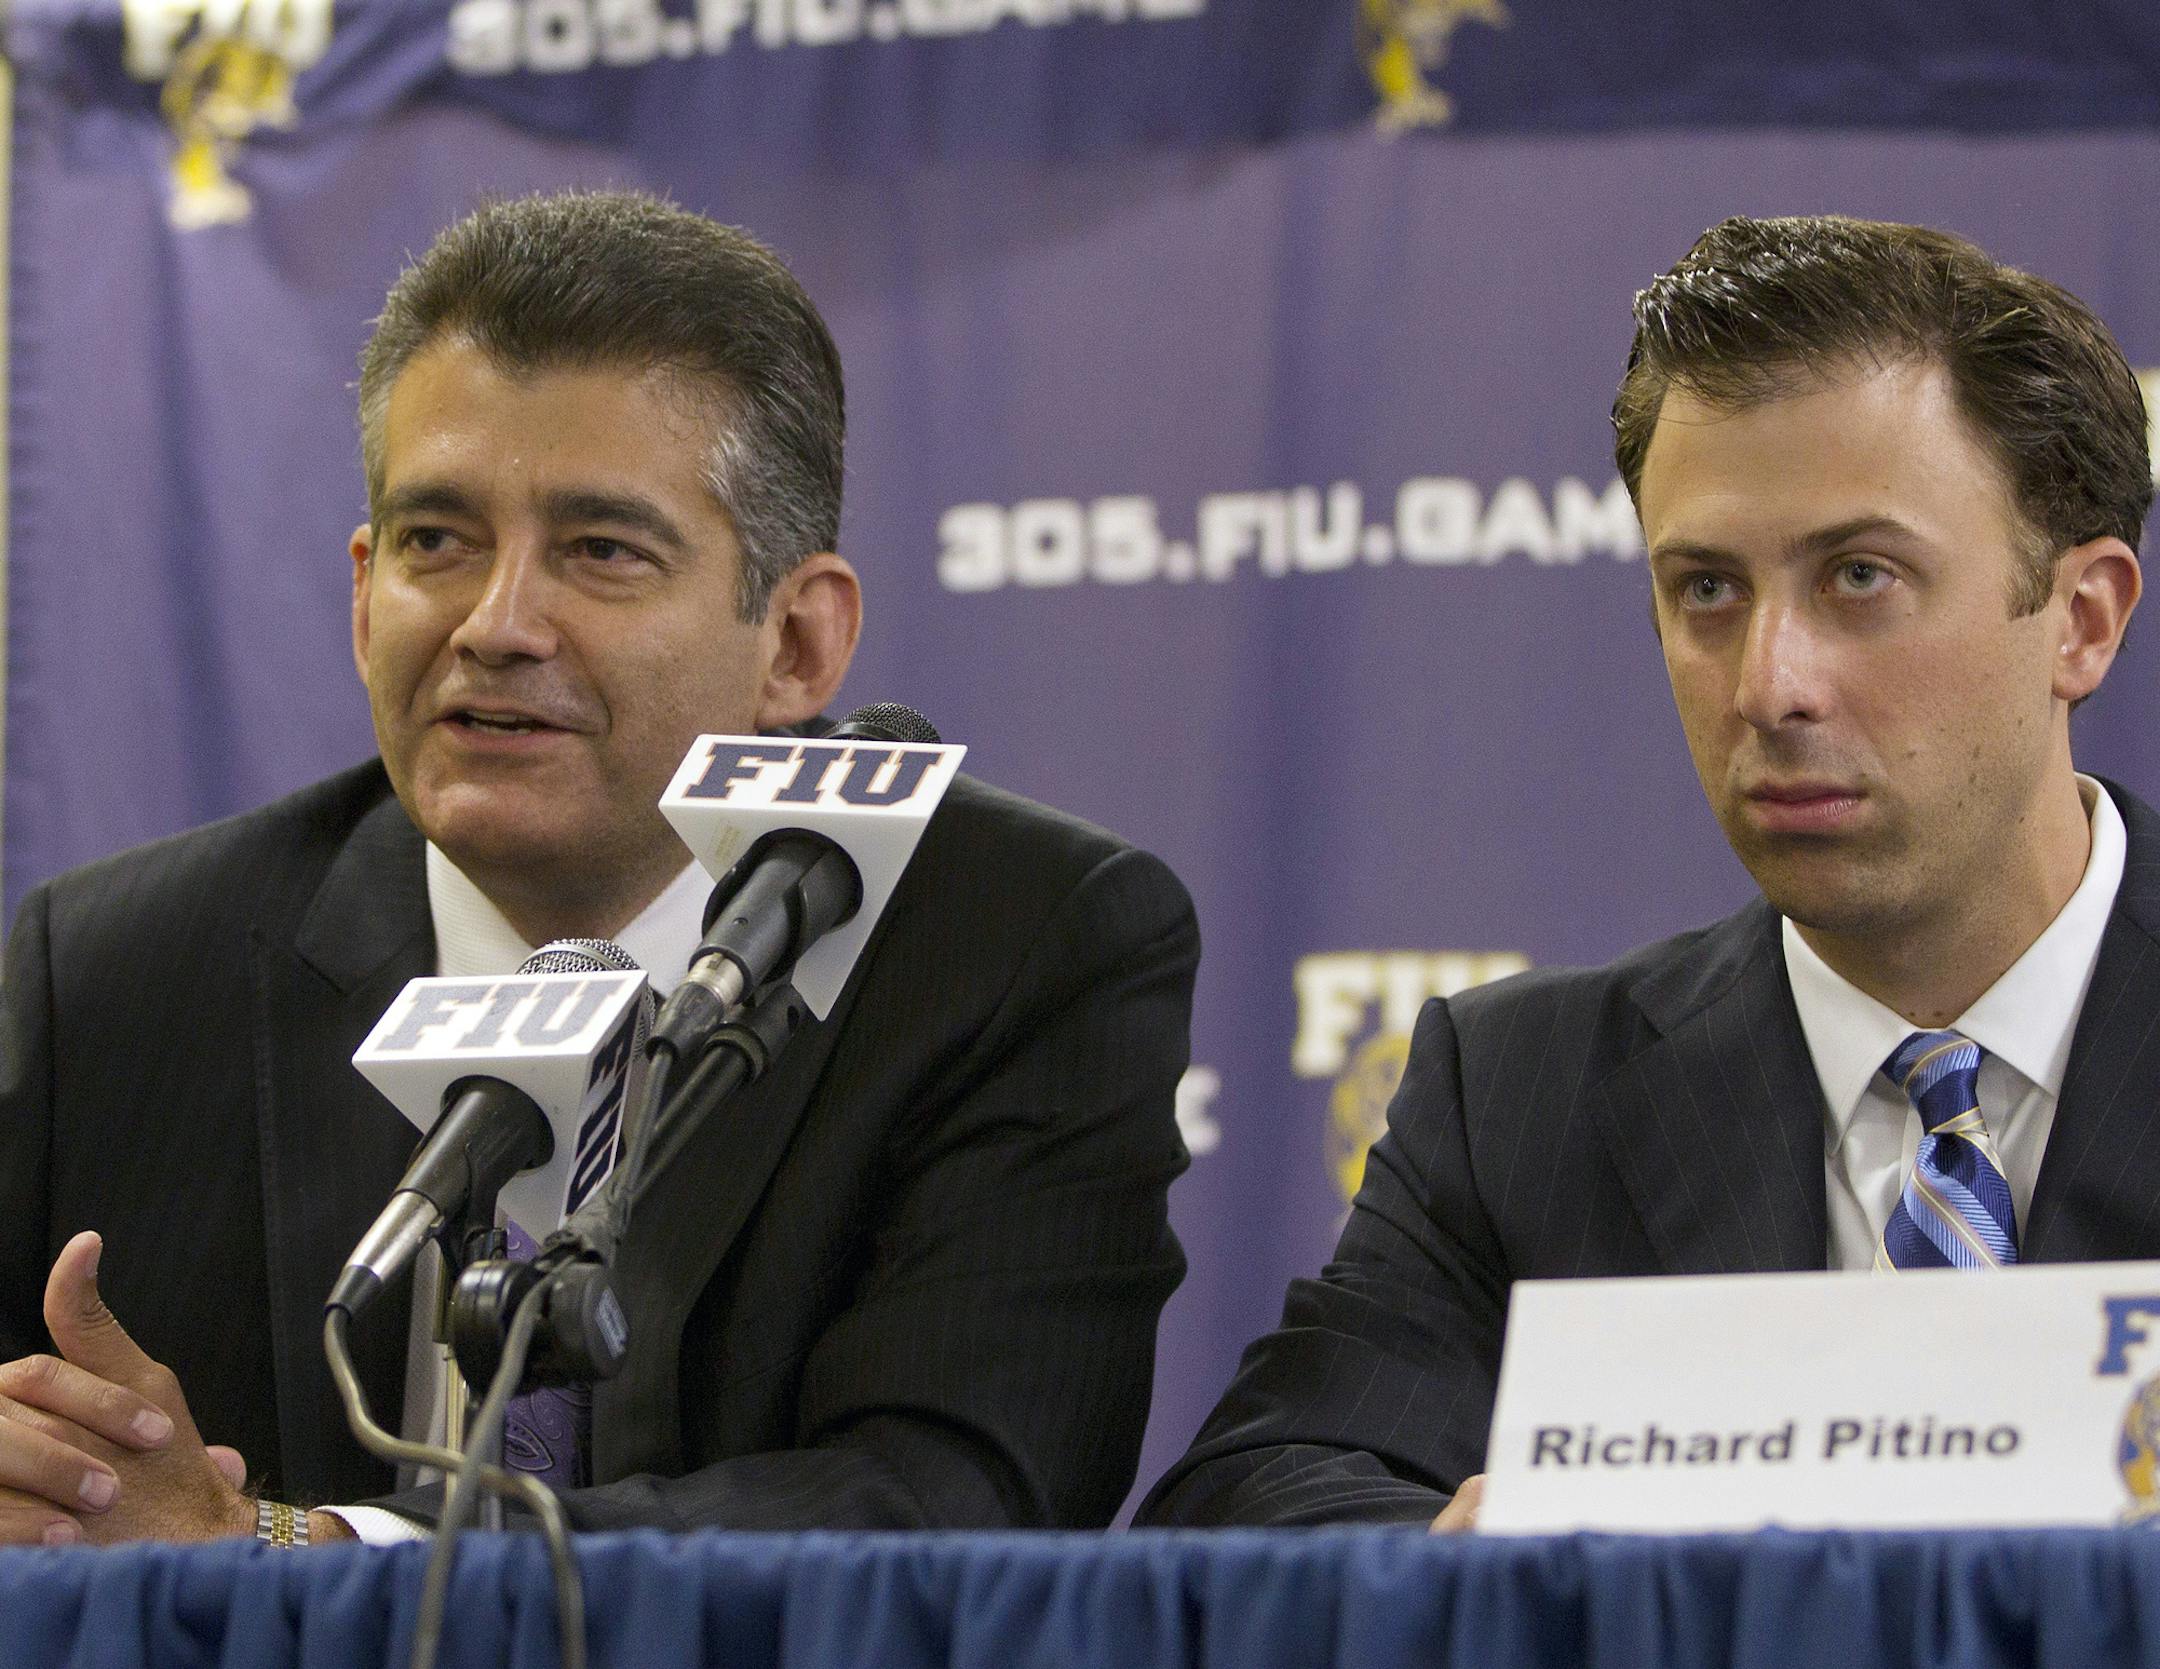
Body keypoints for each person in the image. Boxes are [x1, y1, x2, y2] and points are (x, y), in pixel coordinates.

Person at [0, 190, 1197, 1546]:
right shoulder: (115, 973)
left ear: (797, 644)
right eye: (434, 540)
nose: (498, 623)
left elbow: (952, 1503)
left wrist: (306, 1559)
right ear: (359, 590)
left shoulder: (1013, 941)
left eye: (601, 551)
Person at [1140, 213, 2150, 1528]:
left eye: (1860, 575)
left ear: (2082, 619)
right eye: (1708, 590)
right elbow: (1252, 1509)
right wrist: (1499, 1564)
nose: (1771, 684)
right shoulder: (1522, 1095)